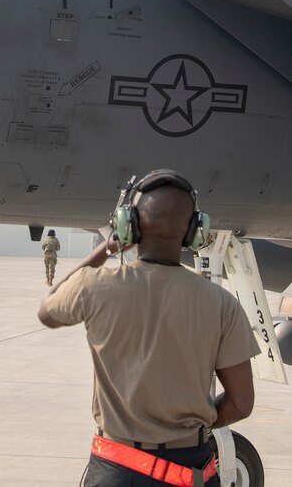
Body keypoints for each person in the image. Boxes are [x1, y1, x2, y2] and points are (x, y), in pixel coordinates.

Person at [38, 169, 260, 487]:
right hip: (189, 472)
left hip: (116, 468)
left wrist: (108, 247)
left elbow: (48, 309)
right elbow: (241, 403)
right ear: (194, 231)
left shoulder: (95, 286)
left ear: (129, 226)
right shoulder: (222, 304)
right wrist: (195, 427)